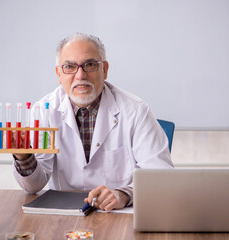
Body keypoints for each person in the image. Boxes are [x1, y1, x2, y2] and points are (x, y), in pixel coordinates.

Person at [13, 33, 173, 211]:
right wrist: (23, 157)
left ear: (104, 69)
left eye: (90, 65)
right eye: (69, 67)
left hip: (117, 214)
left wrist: (124, 194)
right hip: (62, 215)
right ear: (59, 74)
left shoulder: (136, 110)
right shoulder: (42, 111)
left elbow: (161, 176)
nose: (80, 75)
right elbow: (34, 186)